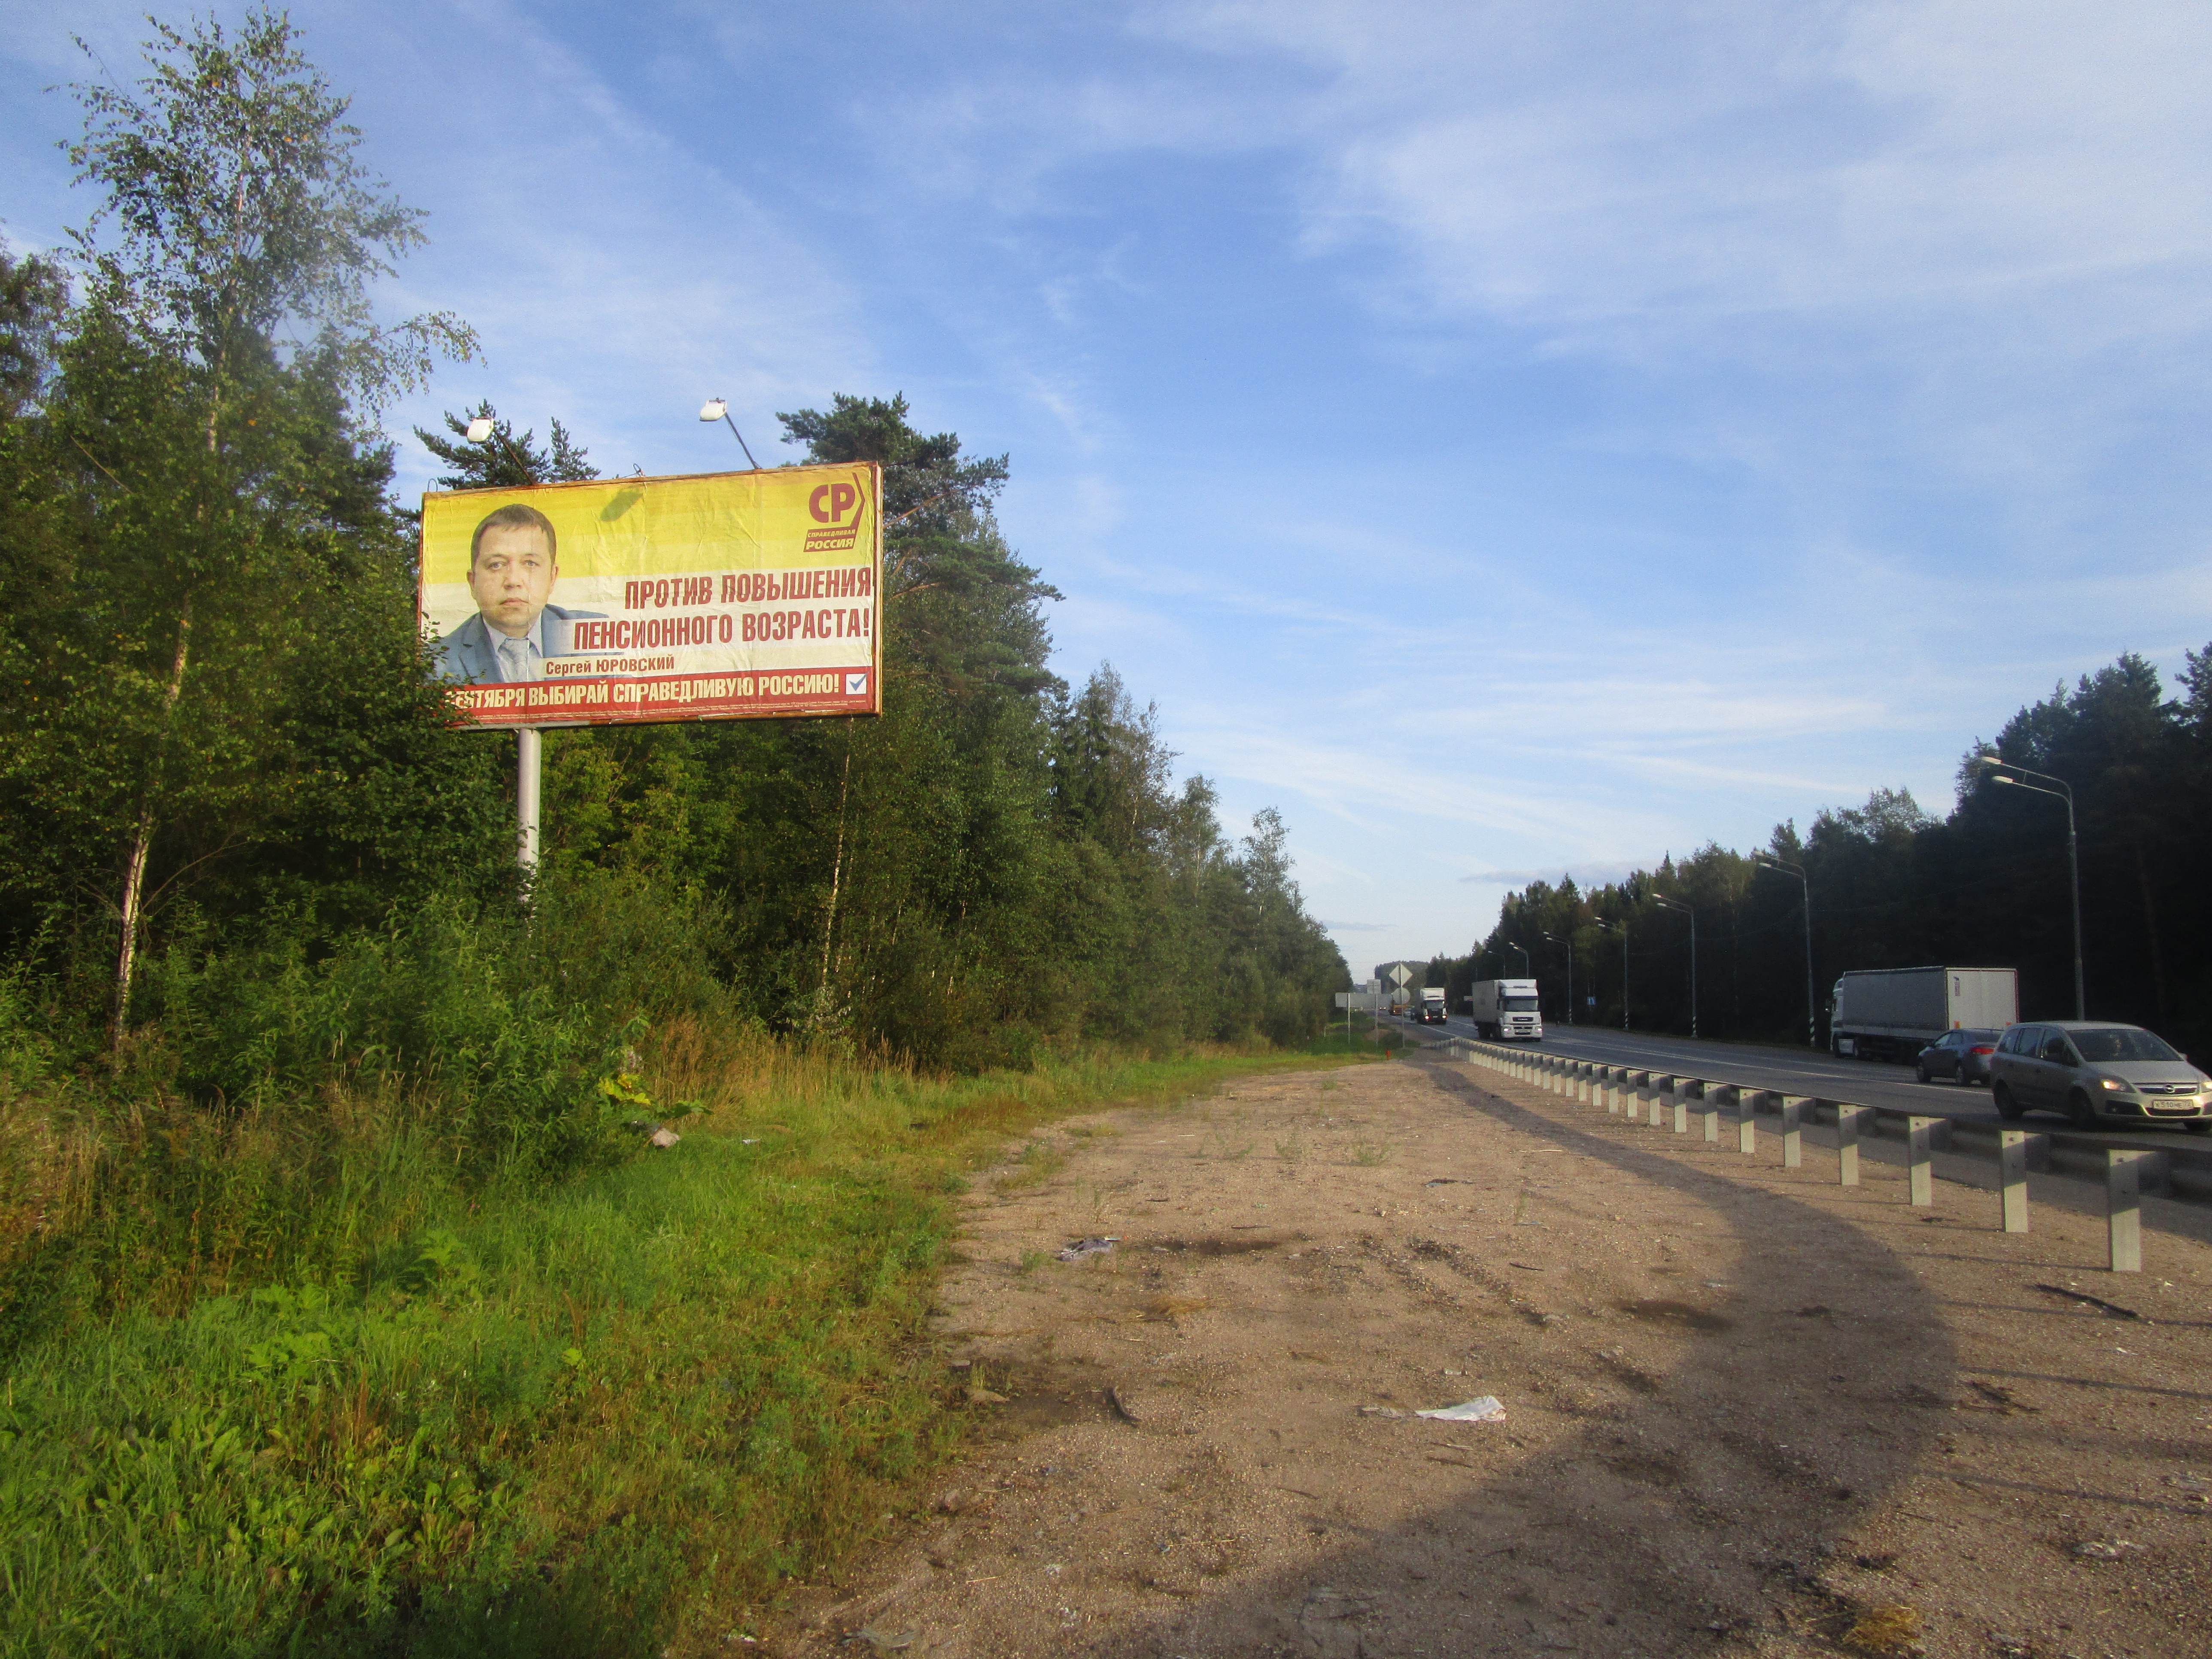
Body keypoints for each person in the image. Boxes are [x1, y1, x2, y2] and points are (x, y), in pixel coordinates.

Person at [434, 502, 602, 683]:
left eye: (530, 563)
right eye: (496, 565)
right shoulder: (437, 661)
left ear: (552, 578)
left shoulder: (597, 638)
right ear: (473, 582)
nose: (513, 581)